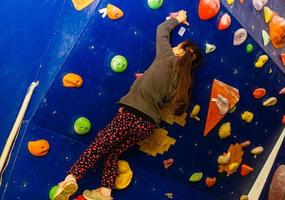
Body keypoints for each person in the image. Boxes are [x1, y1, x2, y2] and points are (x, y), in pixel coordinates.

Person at [53, 10, 202, 200]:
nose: (174, 47)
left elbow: (161, 30)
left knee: (99, 145)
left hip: (132, 115)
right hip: (147, 125)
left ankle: (71, 177)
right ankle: (105, 192)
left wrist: (178, 19)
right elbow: (158, 96)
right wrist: (143, 81)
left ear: (181, 51)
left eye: (177, 46)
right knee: (113, 153)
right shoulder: (181, 83)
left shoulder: (167, 57)